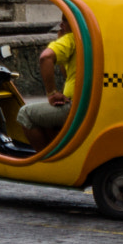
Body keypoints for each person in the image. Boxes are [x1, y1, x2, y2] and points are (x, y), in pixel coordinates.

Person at [16, 13, 77, 152]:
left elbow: (45, 57)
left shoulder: (72, 39)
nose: (61, 25)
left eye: (65, 21)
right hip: (82, 104)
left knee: (25, 114)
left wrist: (52, 93)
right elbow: (66, 74)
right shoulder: (88, 40)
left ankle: (45, 160)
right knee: (46, 118)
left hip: (75, 106)